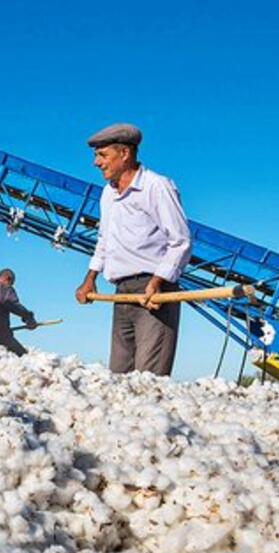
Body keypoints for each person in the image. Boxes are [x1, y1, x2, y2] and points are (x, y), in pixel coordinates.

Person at [74, 123, 192, 376]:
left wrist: (158, 281)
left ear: (125, 154)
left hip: (154, 293)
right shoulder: (108, 194)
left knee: (149, 378)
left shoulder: (156, 186)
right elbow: (104, 240)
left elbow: (180, 240)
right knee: (118, 375)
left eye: (102, 155)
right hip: (122, 293)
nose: (96, 162)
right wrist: (89, 280)